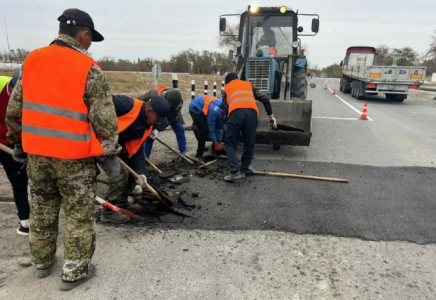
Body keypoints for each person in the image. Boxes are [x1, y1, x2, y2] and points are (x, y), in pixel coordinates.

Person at [5, 8, 118, 290]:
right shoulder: (87, 67)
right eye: (91, 39)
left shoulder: (32, 61)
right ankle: (75, 271)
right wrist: (110, 153)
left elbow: (14, 110)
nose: (90, 44)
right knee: (79, 215)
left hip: (38, 157)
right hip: (74, 160)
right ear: (84, 35)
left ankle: (42, 263)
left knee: (42, 209)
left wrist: (17, 141)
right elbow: (104, 117)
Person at [100, 94, 170, 224]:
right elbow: (98, 101)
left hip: (118, 147)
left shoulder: (147, 124)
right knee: (120, 174)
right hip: (98, 144)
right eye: (158, 119)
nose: (157, 123)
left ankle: (122, 203)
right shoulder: (126, 105)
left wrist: (140, 172)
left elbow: (137, 149)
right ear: (149, 111)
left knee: (134, 173)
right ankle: (108, 211)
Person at [222, 73, 277, 182]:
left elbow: (225, 107)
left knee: (229, 143)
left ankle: (234, 171)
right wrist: (270, 116)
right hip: (252, 114)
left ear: (227, 82)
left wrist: (228, 123)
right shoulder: (248, 85)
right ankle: (243, 171)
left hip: (235, 113)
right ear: (237, 79)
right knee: (249, 143)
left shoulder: (226, 88)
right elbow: (265, 98)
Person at [0, 69, 30, 235]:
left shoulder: (33, 98)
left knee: (19, 179)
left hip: (13, 143)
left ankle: (25, 221)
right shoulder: (0, 85)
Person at [138, 86, 186, 157]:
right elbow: (138, 103)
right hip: (156, 114)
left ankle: (183, 153)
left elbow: (171, 118)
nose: (171, 107)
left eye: (172, 106)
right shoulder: (153, 95)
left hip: (173, 116)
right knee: (151, 135)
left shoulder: (178, 103)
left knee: (180, 129)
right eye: (170, 105)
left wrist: (158, 128)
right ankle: (146, 158)